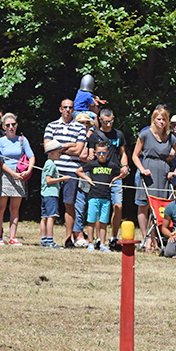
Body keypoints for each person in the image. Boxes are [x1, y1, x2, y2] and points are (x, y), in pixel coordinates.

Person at [133, 104, 176, 252]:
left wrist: (175, 172)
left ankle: (154, 242)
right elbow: (135, 155)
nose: (161, 122)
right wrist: (142, 170)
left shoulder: (170, 137)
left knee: (158, 209)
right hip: (148, 172)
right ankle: (146, 239)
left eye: (164, 119)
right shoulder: (145, 134)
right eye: (159, 119)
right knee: (143, 206)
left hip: (163, 173)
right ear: (154, 120)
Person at [44, 99, 88, 248]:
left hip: (71, 169)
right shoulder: (51, 126)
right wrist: (69, 145)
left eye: (70, 108)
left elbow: (79, 150)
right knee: (50, 201)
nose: (68, 110)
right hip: (53, 168)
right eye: (65, 107)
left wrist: (58, 148)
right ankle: (47, 239)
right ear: (60, 109)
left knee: (69, 204)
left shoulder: (80, 128)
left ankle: (69, 238)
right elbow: (47, 147)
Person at [86, 108, 130, 251]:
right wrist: (90, 157)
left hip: (115, 175)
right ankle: (99, 239)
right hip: (100, 175)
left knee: (118, 206)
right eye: (105, 122)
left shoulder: (119, 134)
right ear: (100, 120)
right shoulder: (94, 136)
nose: (109, 124)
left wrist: (125, 166)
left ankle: (113, 238)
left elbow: (122, 153)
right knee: (99, 207)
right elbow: (90, 155)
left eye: (111, 121)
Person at [0, 113, 35, 246]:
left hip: (20, 175)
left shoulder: (23, 140)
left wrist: (28, 170)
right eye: (8, 125)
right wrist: (12, 173)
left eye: (13, 124)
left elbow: (31, 156)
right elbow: (0, 161)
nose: (11, 127)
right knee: (0, 208)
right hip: (5, 175)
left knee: (15, 209)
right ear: (4, 126)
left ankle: (13, 237)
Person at [77, 141, 122, 252]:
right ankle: (91, 243)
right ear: (96, 153)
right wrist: (88, 179)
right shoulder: (92, 164)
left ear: (108, 153)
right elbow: (78, 171)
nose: (102, 155)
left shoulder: (112, 165)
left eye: (104, 153)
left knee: (103, 222)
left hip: (106, 198)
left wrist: (114, 180)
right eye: (99, 153)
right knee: (91, 221)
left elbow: (123, 172)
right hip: (94, 196)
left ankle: (102, 244)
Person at [40, 139, 71, 249]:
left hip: (45, 194)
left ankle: (44, 241)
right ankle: (50, 241)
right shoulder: (51, 164)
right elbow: (49, 180)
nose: (60, 154)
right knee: (51, 217)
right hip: (50, 194)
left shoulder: (47, 163)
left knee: (44, 217)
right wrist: (63, 178)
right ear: (52, 153)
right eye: (59, 152)